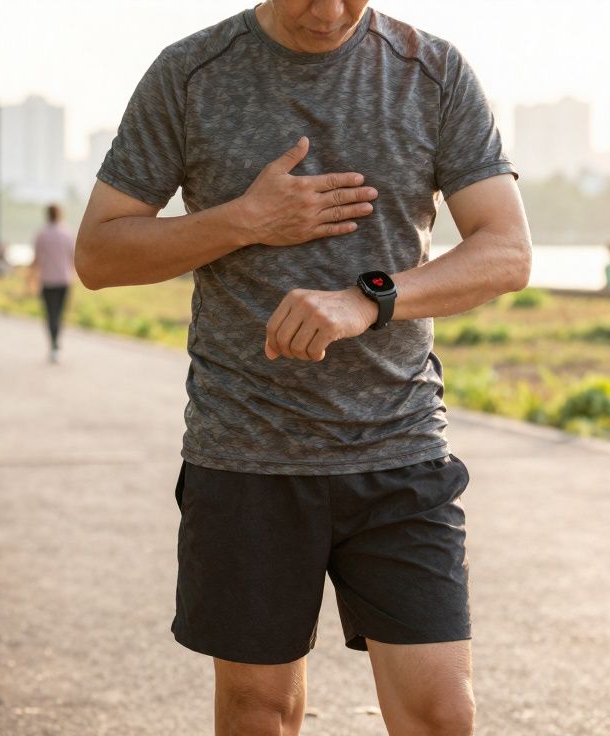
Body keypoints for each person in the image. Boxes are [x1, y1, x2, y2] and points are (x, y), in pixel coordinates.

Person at [76, 2, 532, 734]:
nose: (327, 12)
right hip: (248, 455)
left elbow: (507, 251)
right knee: (262, 712)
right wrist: (245, 219)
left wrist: (370, 300)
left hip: (400, 449)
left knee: (442, 714)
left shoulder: (431, 71)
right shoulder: (191, 74)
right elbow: (98, 255)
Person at [29, 204, 77, 363]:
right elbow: (73, 258)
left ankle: (54, 344)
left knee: (50, 314)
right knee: (60, 313)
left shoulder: (42, 234)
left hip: (47, 280)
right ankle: (56, 344)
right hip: (64, 279)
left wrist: (31, 279)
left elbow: (36, 260)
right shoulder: (68, 233)